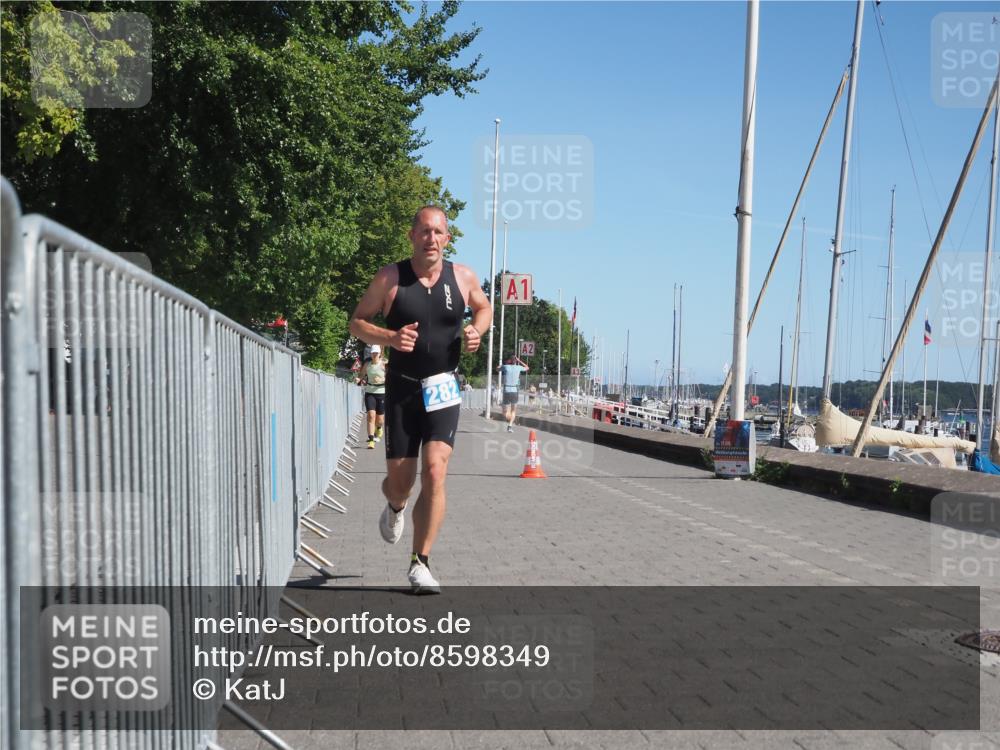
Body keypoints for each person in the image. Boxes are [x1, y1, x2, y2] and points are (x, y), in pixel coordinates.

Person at [349, 205, 492, 594]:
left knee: (436, 470)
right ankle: (395, 507)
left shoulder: (462, 277)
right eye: (424, 231)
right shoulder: (390, 277)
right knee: (401, 484)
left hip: (444, 387)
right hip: (402, 387)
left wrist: (477, 330)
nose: (431, 239)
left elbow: (484, 306)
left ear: (447, 238)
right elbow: (357, 321)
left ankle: (420, 563)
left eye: (438, 232)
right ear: (412, 236)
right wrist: (390, 338)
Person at [358, 346, 386, 449]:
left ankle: (378, 428)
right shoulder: (367, 365)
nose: (374, 355)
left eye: (376, 353)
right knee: (370, 415)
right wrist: (358, 379)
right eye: (373, 353)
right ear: (371, 354)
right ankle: (371, 440)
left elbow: (391, 376)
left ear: (379, 354)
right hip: (370, 392)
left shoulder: (383, 364)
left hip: (382, 392)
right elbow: (361, 375)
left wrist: (384, 380)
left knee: (380, 419)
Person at [497, 354, 529, 431]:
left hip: (506, 390)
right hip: (515, 390)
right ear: (516, 361)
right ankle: (510, 425)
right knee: (513, 411)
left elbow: (497, 368)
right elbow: (527, 368)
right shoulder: (518, 367)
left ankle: (510, 420)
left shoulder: (506, 366)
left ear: (510, 361)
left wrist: (505, 363)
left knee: (504, 412)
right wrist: (519, 361)